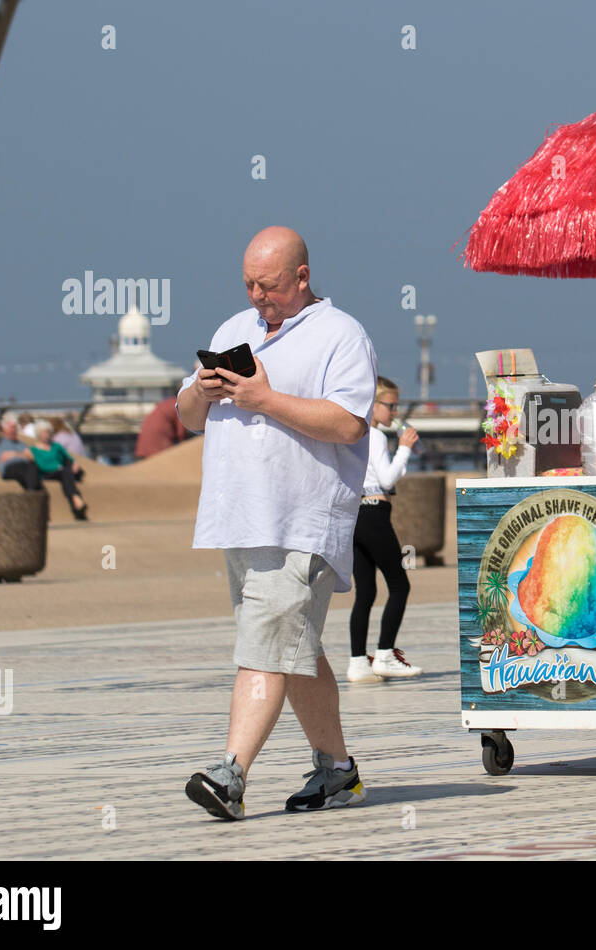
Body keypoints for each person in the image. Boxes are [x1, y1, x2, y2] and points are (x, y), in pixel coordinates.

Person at [177, 226, 377, 821]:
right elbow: (186, 413)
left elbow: (348, 424)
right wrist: (206, 390)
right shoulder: (232, 330)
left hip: (301, 522)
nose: (257, 297)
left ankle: (230, 775)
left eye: (268, 286)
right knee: (294, 647)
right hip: (239, 518)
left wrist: (265, 399)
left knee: (264, 647)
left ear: (302, 276)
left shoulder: (341, 334)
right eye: (248, 285)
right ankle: (337, 773)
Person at [347, 375, 421, 682]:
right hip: (374, 514)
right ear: (373, 404)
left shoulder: (353, 433)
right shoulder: (374, 436)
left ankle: (357, 663)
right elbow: (388, 480)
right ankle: (386, 654)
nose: (394, 412)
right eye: (390, 406)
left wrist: (398, 459)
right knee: (400, 585)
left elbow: (382, 476)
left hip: (354, 514)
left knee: (365, 591)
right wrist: (404, 448)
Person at [31, 420, 89, 520]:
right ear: (39, 434)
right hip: (47, 473)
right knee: (65, 472)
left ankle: (76, 500)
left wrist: (74, 464)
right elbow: (41, 465)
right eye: (44, 432)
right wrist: (58, 467)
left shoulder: (56, 446)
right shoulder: (34, 449)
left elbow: (68, 457)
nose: (47, 435)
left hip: (62, 472)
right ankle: (76, 500)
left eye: (48, 432)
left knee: (66, 473)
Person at [0, 416, 45, 492]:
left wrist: (13, 454)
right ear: (4, 429)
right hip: (9, 469)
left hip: (25, 468)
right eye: (12, 427)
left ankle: (32, 492)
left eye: (15, 428)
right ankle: (32, 492)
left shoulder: (21, 444)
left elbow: (32, 457)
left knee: (32, 467)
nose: (14, 430)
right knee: (29, 469)